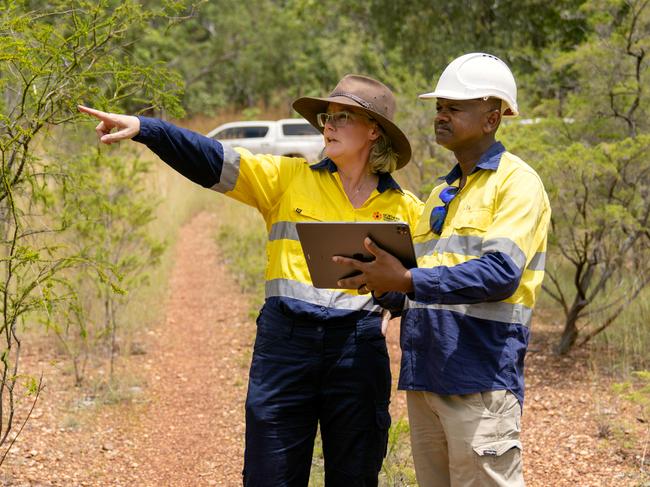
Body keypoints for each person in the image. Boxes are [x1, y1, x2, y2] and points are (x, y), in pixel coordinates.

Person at [78, 74, 423, 486]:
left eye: (343, 117)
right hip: (286, 345)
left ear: (374, 131)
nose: (329, 124)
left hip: (357, 350)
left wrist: (392, 300)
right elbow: (212, 159)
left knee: (355, 476)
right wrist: (148, 130)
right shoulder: (286, 179)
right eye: (327, 116)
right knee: (269, 476)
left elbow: (418, 286)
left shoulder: (407, 209)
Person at [334, 53, 551, 486]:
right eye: (438, 107)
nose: (441, 115)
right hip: (427, 378)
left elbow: (499, 274)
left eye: (454, 107)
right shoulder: (440, 194)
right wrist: (373, 279)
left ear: (492, 117)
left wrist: (406, 278)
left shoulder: (517, 182)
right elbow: (412, 287)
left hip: (481, 377)